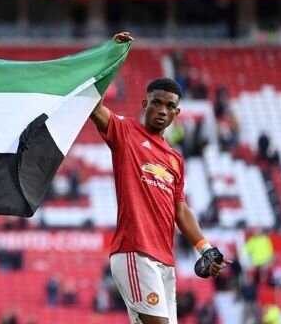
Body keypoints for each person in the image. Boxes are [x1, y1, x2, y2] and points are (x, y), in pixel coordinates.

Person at [90, 34, 231, 324]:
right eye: (157, 103)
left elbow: (180, 209)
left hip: (165, 261)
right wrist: (110, 56)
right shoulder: (125, 132)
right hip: (135, 252)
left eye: (169, 106)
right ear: (145, 103)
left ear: (177, 113)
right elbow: (93, 106)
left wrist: (204, 246)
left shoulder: (176, 160)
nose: (162, 110)